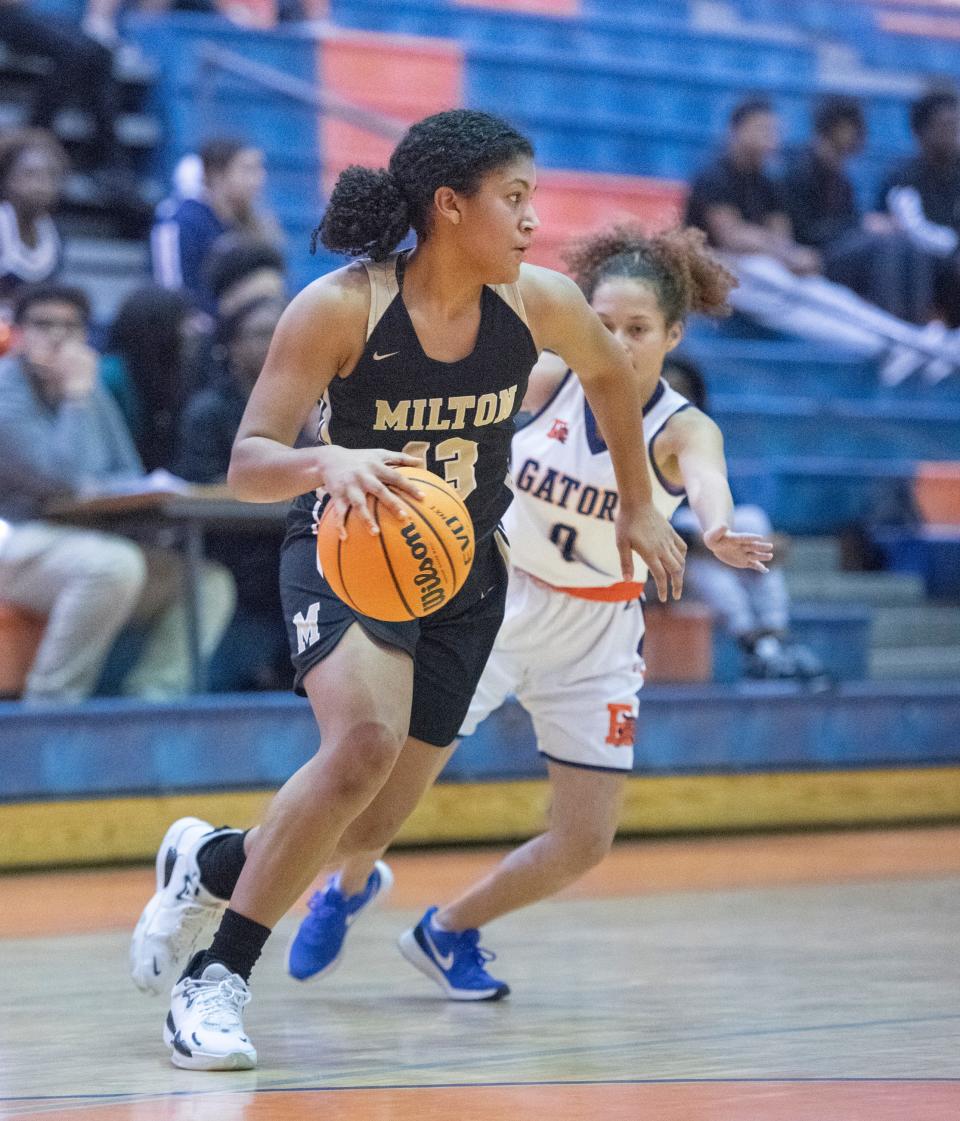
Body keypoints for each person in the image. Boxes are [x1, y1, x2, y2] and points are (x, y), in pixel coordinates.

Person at [128, 108, 687, 1071]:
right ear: (449, 204)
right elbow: (250, 461)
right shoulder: (340, 307)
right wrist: (327, 463)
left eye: (533, 202)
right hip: (347, 549)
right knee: (361, 748)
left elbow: (610, 377)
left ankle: (213, 861)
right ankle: (215, 979)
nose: (529, 222)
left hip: (464, 566)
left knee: (372, 819)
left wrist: (639, 505)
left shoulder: (538, 304)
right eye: (514, 200)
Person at [278, 225, 771, 1000]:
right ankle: (340, 887)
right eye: (601, 323)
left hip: (600, 631)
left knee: (583, 840)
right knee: (380, 782)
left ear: (673, 334)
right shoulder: (544, 381)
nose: (615, 341)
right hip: (498, 600)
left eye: (637, 330)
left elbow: (707, 477)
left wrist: (715, 526)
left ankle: (448, 930)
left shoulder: (681, 425)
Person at [0, 283, 235, 702]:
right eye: (42, 324)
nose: (57, 336)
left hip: (78, 539)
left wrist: (83, 397)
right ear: (17, 333)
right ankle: (50, 708)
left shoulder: (89, 388)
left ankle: (153, 700)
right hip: (16, 538)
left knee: (208, 582)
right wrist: (75, 396)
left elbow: (125, 469)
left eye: (70, 326)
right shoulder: (7, 390)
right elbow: (60, 478)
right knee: (112, 566)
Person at [686, 98, 960, 384]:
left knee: (832, 299)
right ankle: (893, 346)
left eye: (773, 130)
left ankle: (910, 341)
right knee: (794, 294)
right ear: (737, 130)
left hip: (764, 269)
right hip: (721, 273)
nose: (770, 137)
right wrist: (783, 252)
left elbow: (781, 237)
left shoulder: (766, 181)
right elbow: (732, 237)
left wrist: (787, 254)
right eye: (762, 129)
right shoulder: (714, 174)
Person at [661, 356, 826, 684]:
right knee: (700, 537)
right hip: (664, 557)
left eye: (684, 395)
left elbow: (732, 505)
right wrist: (709, 544)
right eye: (667, 392)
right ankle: (753, 642)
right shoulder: (635, 438)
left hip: (706, 546)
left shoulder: (702, 441)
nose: (676, 404)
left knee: (752, 519)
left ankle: (773, 638)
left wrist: (763, 544)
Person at [176, 296, 290, 690]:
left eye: (282, 330)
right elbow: (199, 486)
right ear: (233, 346)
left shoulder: (315, 405)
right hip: (235, 554)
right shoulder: (208, 411)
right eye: (261, 333)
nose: (275, 340)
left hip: (298, 549)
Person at [783, 96, 935, 325]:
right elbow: (805, 230)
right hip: (815, 253)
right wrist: (862, 225)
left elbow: (848, 220)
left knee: (907, 242)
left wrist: (863, 225)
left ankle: (915, 325)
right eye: (851, 127)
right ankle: (891, 324)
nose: (856, 135)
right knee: (886, 245)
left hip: (840, 248)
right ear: (834, 127)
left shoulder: (841, 179)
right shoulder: (798, 170)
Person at [151, 138, 281, 315]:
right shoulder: (180, 222)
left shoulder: (258, 223)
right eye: (248, 169)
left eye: (260, 169)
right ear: (216, 174)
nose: (259, 179)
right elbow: (171, 292)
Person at [880, 89, 960, 331]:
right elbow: (912, 231)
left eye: (957, 123)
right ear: (921, 131)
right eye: (946, 125)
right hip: (923, 265)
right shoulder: (902, 179)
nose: (954, 132)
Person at [101, 285, 203, 472]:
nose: (194, 329)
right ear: (159, 326)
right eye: (184, 320)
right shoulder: (110, 376)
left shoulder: (174, 374)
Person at [0, 130, 66, 317]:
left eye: (51, 176)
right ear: (6, 178)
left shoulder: (54, 234)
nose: (42, 184)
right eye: (31, 174)